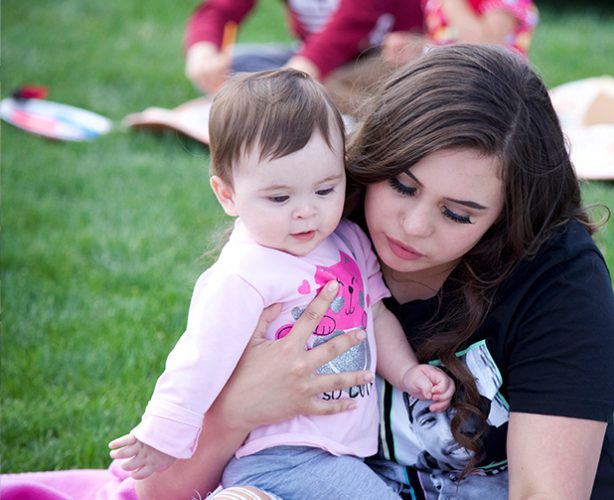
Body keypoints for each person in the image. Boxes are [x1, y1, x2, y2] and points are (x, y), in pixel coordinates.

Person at [137, 43, 614, 500]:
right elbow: (160, 495)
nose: (413, 227)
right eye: (401, 184)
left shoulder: (557, 282)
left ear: (508, 216)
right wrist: (237, 412)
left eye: (457, 214)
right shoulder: (313, 232)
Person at [108, 68, 455, 497]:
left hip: (334, 451)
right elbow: (198, 359)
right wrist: (161, 435)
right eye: (279, 197)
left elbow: (375, 314)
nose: (306, 211)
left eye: (325, 190)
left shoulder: (347, 240)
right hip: (279, 451)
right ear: (227, 195)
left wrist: (406, 372)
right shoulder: (245, 273)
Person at [184, 0, 424, 114]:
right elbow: (221, 8)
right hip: (313, 60)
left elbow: (351, 23)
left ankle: (295, 101)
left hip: (375, 58)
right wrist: (203, 51)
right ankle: (307, 101)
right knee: (237, 64)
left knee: (398, 76)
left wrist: (294, 75)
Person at [381, 0, 538, 68]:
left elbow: (486, 48)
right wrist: (415, 46)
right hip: (446, 77)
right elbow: (445, 40)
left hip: (496, 87)